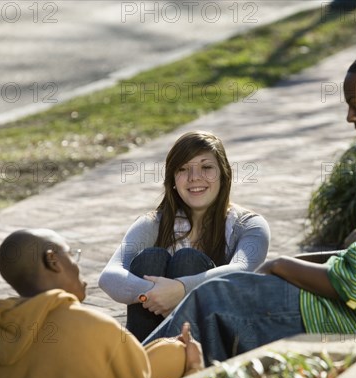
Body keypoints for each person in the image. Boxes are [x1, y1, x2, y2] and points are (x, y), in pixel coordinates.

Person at [143, 48, 356, 365]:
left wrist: (281, 265)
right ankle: (133, 364)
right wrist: (300, 265)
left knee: (215, 300)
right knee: (224, 295)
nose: (351, 117)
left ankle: (127, 375)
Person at [0, 229, 204, 378]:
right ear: (53, 261)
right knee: (177, 352)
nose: (77, 263)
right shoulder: (96, 328)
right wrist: (193, 369)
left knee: (167, 349)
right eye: (71, 254)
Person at [98, 131, 270, 341]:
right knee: (150, 258)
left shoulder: (249, 225)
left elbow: (240, 270)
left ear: (224, 174)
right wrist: (155, 295)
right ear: (172, 179)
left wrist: (180, 290)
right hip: (154, 338)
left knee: (188, 260)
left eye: (206, 167)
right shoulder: (154, 223)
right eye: (183, 169)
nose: (194, 177)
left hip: (219, 339)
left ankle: (181, 365)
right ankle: (146, 363)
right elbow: (109, 276)